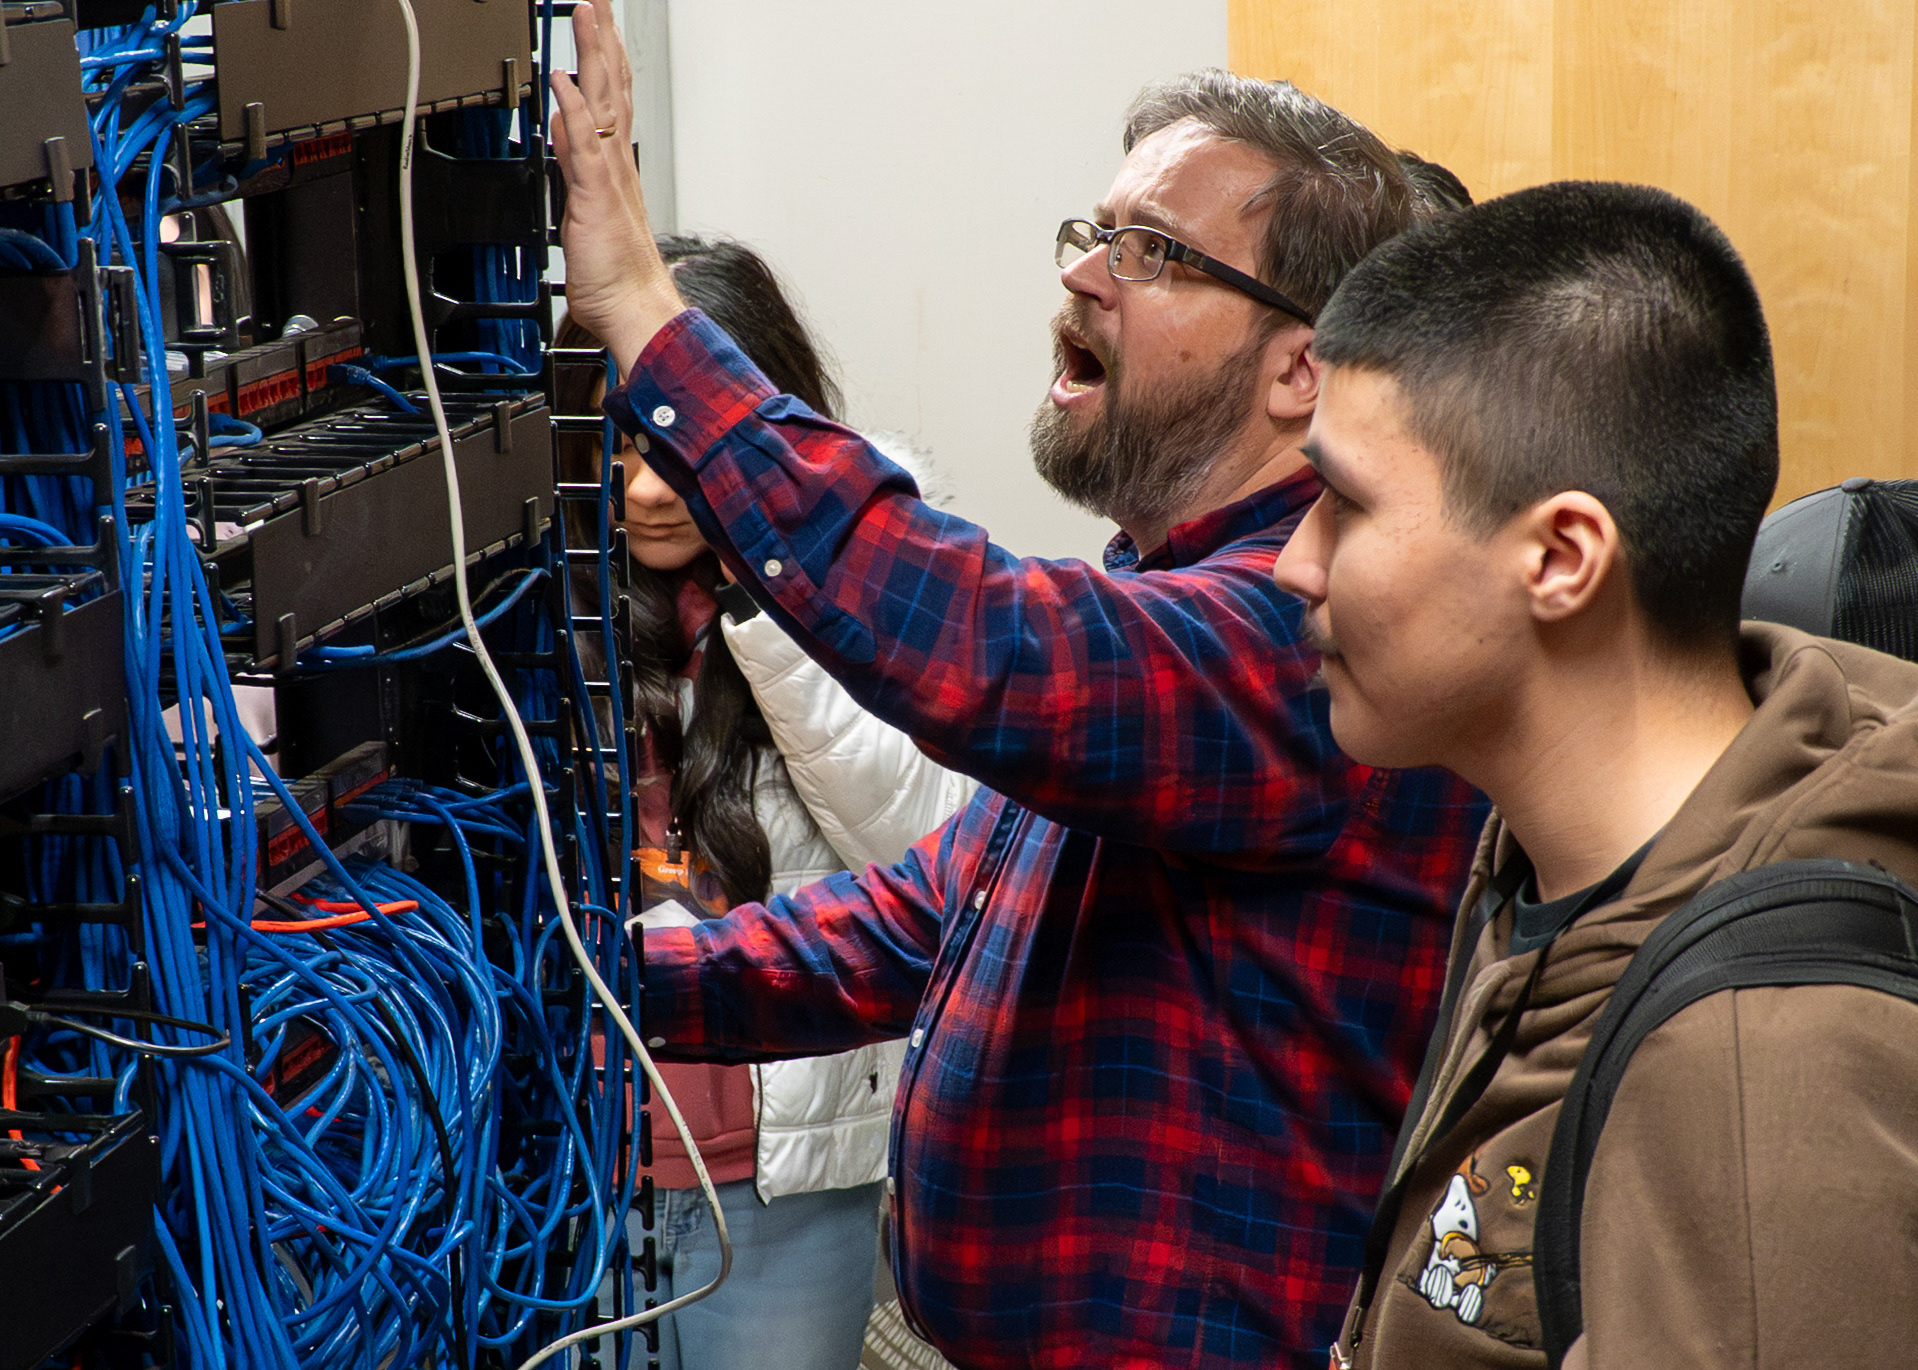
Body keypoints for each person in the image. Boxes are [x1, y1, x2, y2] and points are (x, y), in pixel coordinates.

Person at [552, 4, 1488, 1364]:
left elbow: (985, 644)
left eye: (1153, 251)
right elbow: (910, 925)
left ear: (1301, 365)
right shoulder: (1162, 609)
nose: (1086, 276)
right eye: (1093, 233)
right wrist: (568, 975)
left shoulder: (1306, 630)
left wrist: (644, 308)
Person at [1270, 180, 1918, 1367]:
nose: (1290, 563)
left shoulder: (1758, 1060)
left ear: (1562, 557)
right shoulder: (1542, 866)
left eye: (1341, 503)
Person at [558, 235, 971, 1370]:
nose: (646, 490)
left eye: (679, 449)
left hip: (779, 1183)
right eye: (616, 446)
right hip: (572, 1166)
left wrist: (772, 591)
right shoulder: (532, 592)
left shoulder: (872, 563)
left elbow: (923, 846)